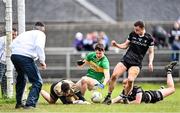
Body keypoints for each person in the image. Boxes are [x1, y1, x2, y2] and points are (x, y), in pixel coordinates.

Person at [103, 20, 154, 104]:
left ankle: (125, 97)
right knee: (114, 76)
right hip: (126, 60)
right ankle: (108, 96)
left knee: (130, 80)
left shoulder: (149, 38)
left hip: (136, 63)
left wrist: (150, 62)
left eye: (137, 30)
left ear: (142, 28)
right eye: (135, 29)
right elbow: (125, 45)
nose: (135, 31)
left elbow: (151, 52)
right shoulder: (132, 34)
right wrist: (117, 45)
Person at [10, 22, 46, 109]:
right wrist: (42, 61)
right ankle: (30, 104)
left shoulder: (26, 33)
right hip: (25, 57)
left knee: (21, 79)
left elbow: (12, 45)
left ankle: (19, 103)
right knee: (37, 81)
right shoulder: (40, 34)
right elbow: (39, 46)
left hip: (14, 56)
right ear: (42, 29)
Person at [112, 61, 177, 104]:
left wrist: (126, 102)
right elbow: (118, 99)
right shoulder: (125, 91)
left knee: (172, 89)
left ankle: (169, 70)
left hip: (154, 96)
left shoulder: (137, 89)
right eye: (123, 83)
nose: (123, 85)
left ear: (131, 83)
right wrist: (109, 101)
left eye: (125, 83)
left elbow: (137, 102)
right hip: (148, 93)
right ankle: (162, 89)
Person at [0, 28, 17, 97]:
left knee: (6, 80)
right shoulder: (2, 39)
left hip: (10, 64)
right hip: (1, 62)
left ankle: (5, 96)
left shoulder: (16, 41)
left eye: (15, 35)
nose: (14, 36)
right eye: (13, 34)